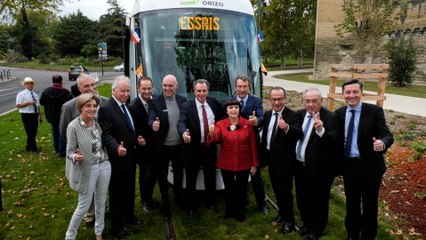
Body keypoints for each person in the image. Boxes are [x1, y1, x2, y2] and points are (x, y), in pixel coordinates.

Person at [335, 79, 394, 240]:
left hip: (370, 167)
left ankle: (368, 236)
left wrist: (382, 143)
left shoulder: (374, 111)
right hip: (349, 166)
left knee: (370, 205)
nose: (351, 95)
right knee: (351, 203)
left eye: (355, 92)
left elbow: (387, 135)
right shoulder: (339, 113)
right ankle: (352, 235)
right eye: (348, 92)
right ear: (343, 94)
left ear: (361, 93)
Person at [59, 73, 108, 227]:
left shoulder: (105, 102)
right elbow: (64, 131)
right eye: (86, 86)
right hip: (83, 157)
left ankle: (102, 212)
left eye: (93, 84)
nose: (91, 88)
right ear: (79, 88)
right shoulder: (68, 106)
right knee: (86, 186)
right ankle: (89, 216)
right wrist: (79, 149)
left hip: (102, 155)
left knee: (101, 186)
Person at [98, 76, 142, 239]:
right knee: (117, 194)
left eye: (128, 91)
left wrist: (137, 138)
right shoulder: (106, 108)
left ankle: (129, 216)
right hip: (117, 160)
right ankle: (116, 227)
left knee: (129, 190)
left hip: (130, 158)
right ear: (113, 91)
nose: (125, 94)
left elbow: (130, 129)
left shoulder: (126, 107)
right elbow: (106, 134)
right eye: (122, 91)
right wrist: (116, 147)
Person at [294, 88, 339, 240]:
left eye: (314, 101)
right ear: (303, 101)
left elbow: (334, 142)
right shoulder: (299, 114)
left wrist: (321, 130)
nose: (311, 104)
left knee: (318, 201)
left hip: (320, 170)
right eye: (307, 100)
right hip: (300, 166)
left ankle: (317, 229)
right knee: (302, 198)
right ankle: (307, 224)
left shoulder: (331, 117)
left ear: (321, 101)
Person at [65, 93, 111, 240]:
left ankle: (99, 232)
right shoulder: (73, 126)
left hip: (104, 166)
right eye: (88, 106)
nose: (92, 109)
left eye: (94, 106)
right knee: (83, 207)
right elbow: (69, 152)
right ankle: (70, 236)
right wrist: (75, 157)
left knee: (101, 202)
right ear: (81, 107)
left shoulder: (96, 122)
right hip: (87, 169)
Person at [177, 79, 224, 217]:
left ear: (208, 91)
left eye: (204, 91)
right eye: (198, 91)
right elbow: (181, 122)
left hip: (209, 148)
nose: (201, 94)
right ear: (194, 91)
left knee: (210, 176)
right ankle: (192, 206)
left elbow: (223, 115)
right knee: (191, 178)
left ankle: (210, 202)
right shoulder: (186, 106)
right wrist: (183, 133)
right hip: (192, 149)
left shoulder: (214, 102)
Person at [208, 99, 258, 222]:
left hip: (244, 163)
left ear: (239, 109)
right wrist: (211, 133)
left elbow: (253, 145)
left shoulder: (247, 124)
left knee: (241, 190)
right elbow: (216, 138)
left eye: (236, 107)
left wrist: (254, 164)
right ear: (226, 110)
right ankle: (229, 211)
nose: (233, 110)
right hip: (227, 163)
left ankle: (240, 212)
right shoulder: (220, 124)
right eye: (230, 108)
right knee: (229, 189)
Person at [260, 87, 302, 233]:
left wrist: (287, 128)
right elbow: (266, 137)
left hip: (286, 162)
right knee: (277, 190)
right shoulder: (267, 115)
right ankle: (282, 214)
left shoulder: (293, 115)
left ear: (285, 99)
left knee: (285, 192)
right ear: (269, 100)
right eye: (273, 99)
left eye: (279, 99)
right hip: (271, 161)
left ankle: (290, 221)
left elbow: (298, 133)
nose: (277, 102)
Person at [148, 74, 187, 216]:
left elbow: (186, 119)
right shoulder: (155, 102)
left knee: (178, 173)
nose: (167, 88)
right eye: (165, 85)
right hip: (162, 147)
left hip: (179, 145)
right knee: (162, 175)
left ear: (176, 86)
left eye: (170, 85)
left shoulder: (183, 101)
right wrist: (153, 124)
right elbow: (151, 118)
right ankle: (165, 202)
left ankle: (178, 198)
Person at [233, 74, 268, 215]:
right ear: (235, 87)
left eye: (245, 87)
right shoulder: (230, 101)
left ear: (249, 87)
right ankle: (243, 200)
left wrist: (257, 121)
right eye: (239, 86)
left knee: (256, 177)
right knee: (240, 175)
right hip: (236, 145)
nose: (242, 90)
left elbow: (261, 117)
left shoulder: (256, 100)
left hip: (252, 144)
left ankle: (262, 203)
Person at [128, 76, 157, 213]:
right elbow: (132, 127)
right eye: (144, 88)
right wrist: (138, 137)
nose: (147, 91)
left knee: (154, 174)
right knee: (145, 174)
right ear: (138, 88)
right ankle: (145, 201)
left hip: (155, 145)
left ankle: (150, 197)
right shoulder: (133, 106)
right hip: (142, 147)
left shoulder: (155, 101)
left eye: (149, 88)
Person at [40, 75, 73, 157]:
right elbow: (71, 104)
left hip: (51, 115)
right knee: (62, 132)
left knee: (55, 131)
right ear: (61, 81)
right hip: (62, 115)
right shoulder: (66, 93)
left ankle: (57, 148)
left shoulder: (46, 91)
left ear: (53, 81)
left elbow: (41, 102)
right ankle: (62, 151)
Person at [16, 77, 42, 154]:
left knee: (34, 132)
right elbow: (18, 105)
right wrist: (28, 103)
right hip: (26, 115)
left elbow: (37, 106)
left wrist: (40, 115)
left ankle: (28, 147)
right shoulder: (21, 94)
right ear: (25, 85)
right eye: (28, 84)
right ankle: (34, 149)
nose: (30, 85)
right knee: (30, 132)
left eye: (31, 83)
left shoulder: (35, 94)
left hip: (34, 115)